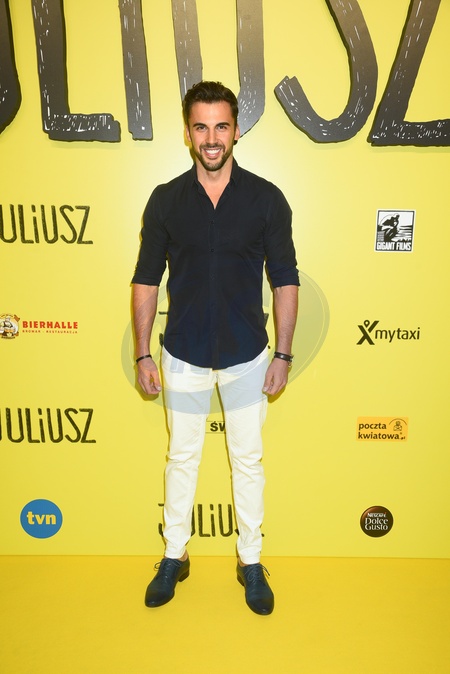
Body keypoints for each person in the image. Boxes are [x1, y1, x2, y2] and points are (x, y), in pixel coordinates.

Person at [131, 81, 299, 615]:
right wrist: (142, 353)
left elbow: (285, 280)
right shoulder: (165, 200)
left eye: (221, 126)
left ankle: (250, 561)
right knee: (181, 457)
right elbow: (146, 280)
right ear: (187, 133)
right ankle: (174, 555)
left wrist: (283, 355)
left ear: (236, 130)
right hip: (182, 353)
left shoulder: (266, 199)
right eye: (201, 127)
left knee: (247, 460)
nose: (211, 138)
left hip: (249, 355)